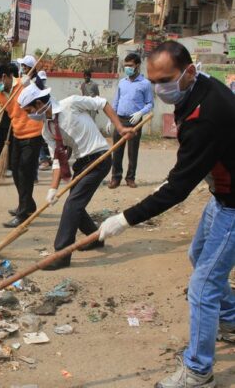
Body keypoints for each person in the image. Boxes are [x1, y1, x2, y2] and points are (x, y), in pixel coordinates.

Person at [99, 41, 235, 388]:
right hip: (221, 194)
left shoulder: (208, 113)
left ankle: (198, 372)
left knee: (203, 286)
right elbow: (186, 170)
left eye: (166, 80)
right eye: (153, 81)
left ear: (189, 71)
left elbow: (177, 189)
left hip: (234, 204)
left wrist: (124, 218)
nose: (160, 89)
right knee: (197, 255)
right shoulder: (197, 90)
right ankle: (231, 319)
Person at [18, 84, 131, 269]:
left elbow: (102, 103)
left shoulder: (70, 103)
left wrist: (120, 128)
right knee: (74, 203)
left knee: (72, 204)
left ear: (39, 103)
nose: (28, 114)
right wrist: (53, 189)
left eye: (29, 110)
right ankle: (95, 237)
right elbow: (56, 159)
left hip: (99, 157)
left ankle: (62, 254)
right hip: (81, 162)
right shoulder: (47, 129)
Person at [0, 62, 43, 228]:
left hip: (33, 134)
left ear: (5, 76)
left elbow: (43, 101)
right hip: (17, 134)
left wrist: (33, 87)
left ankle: (23, 213)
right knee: (15, 170)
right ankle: (28, 204)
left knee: (25, 172)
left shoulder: (24, 84)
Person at [107, 53, 153, 189]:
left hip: (135, 120)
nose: (128, 68)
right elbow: (116, 102)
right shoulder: (122, 82)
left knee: (133, 152)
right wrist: (111, 119)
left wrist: (141, 113)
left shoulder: (145, 84)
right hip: (120, 119)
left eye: (130, 66)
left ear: (137, 65)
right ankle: (115, 178)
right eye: (126, 65)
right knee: (117, 150)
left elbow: (150, 103)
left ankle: (130, 178)